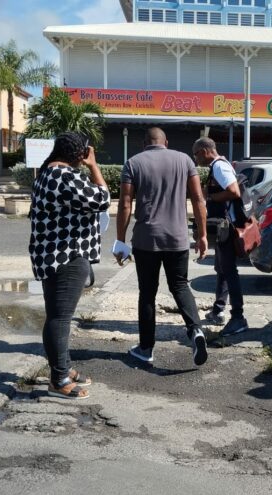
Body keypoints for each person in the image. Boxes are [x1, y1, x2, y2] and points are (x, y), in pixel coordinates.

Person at [115, 128, 210, 366]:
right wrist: (202, 234)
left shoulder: (133, 163)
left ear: (144, 143)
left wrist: (120, 240)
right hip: (177, 239)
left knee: (147, 293)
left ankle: (146, 349)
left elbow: (125, 203)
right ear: (165, 142)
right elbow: (198, 199)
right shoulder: (185, 160)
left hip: (146, 240)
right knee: (180, 285)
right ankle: (196, 331)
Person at [29, 132, 110, 399]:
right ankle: (58, 379)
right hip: (66, 256)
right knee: (60, 318)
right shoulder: (66, 177)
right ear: (80, 154)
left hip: (50, 255)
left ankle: (62, 368)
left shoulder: (45, 174)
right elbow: (103, 199)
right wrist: (94, 166)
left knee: (56, 316)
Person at [193, 137, 249, 336]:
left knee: (229, 271)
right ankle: (218, 310)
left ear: (206, 150)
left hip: (227, 227)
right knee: (222, 269)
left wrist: (208, 197)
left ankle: (238, 317)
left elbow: (233, 191)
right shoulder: (220, 166)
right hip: (223, 227)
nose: (196, 158)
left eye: (196, 153)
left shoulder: (219, 167)